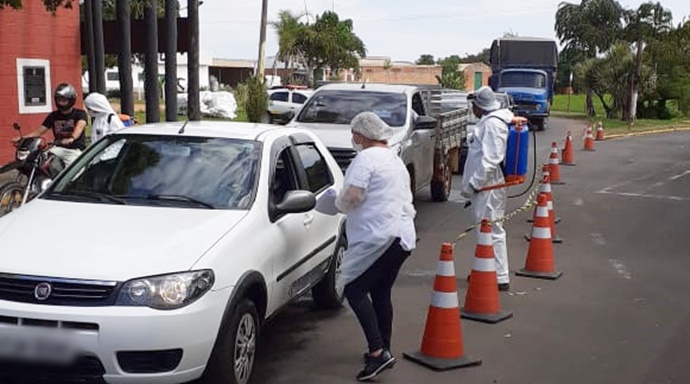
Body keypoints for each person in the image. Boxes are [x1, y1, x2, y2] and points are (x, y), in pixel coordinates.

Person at [335, 111, 416, 382]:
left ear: (361, 135)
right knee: (381, 290)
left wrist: (335, 203)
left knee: (354, 289)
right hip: (402, 237)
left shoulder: (366, 158)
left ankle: (378, 351)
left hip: (380, 237)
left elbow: (354, 195)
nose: (352, 139)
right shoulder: (393, 159)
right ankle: (384, 348)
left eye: (353, 134)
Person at [461, 86, 514, 291]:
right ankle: (487, 270)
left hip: (489, 185)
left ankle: (499, 276)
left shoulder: (492, 124)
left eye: (473, 104)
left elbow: (492, 159)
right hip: (487, 185)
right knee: (486, 229)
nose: (472, 108)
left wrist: (475, 183)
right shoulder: (490, 122)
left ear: (479, 105)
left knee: (491, 229)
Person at [11, 83, 88, 168]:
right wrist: (23, 138)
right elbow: (39, 131)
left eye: (63, 100)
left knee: (72, 174)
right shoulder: (53, 115)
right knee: (39, 160)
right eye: (59, 100)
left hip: (74, 150)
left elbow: (79, 127)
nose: (61, 102)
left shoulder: (80, 114)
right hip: (57, 148)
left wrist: (71, 138)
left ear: (71, 100)